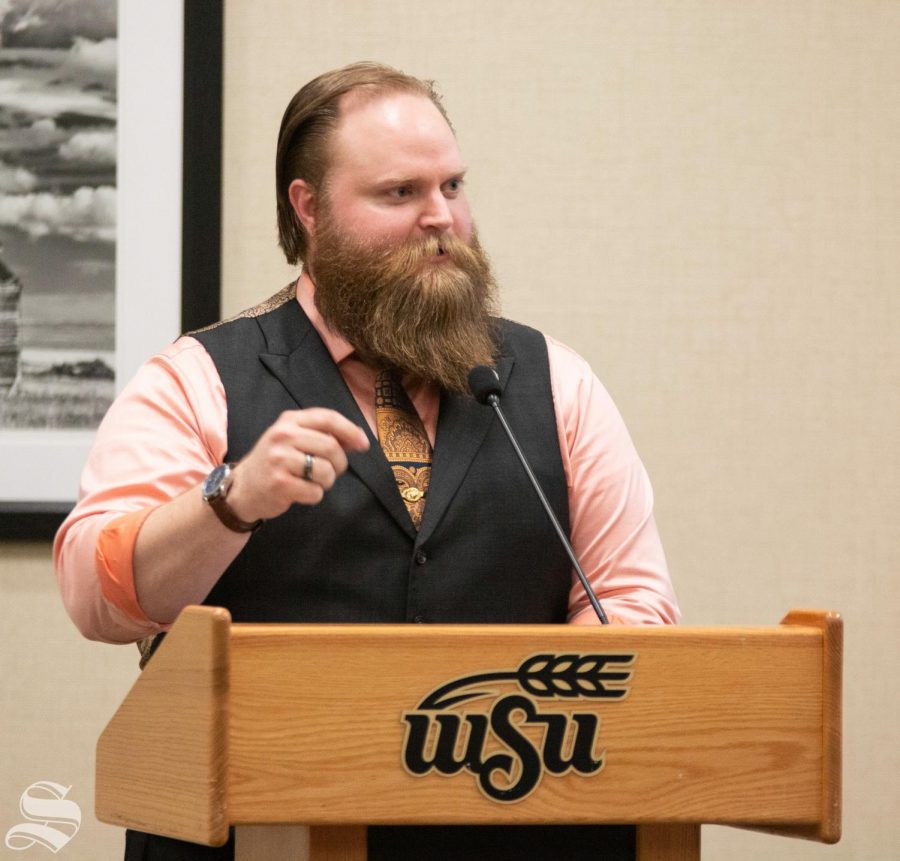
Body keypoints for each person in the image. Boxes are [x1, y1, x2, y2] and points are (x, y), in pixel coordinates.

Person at [55, 62, 679, 860]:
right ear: (308, 207)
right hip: (253, 831)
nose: (441, 218)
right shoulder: (197, 378)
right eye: (400, 193)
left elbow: (631, 603)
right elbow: (96, 593)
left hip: (511, 827)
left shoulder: (552, 380)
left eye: (452, 186)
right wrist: (230, 499)